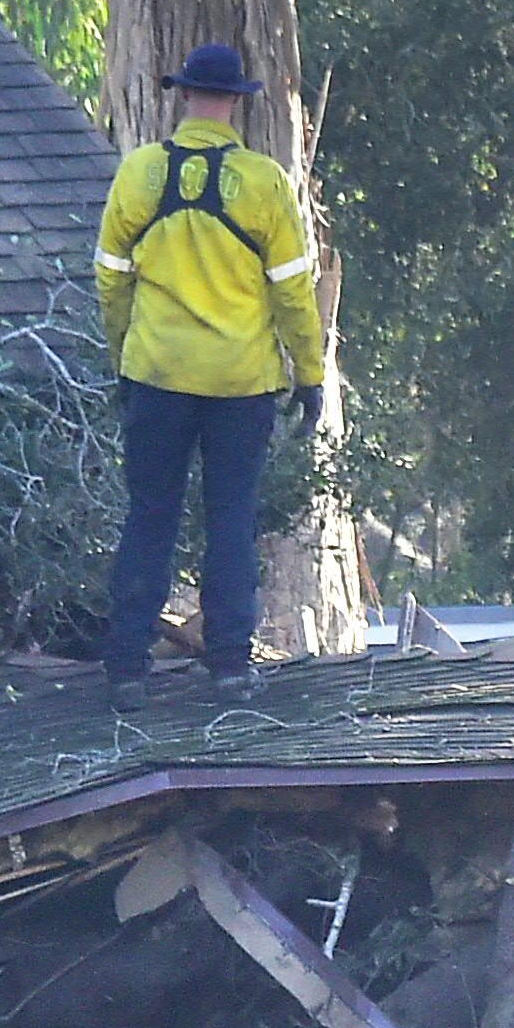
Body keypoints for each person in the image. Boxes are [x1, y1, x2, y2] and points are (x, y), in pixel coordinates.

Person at [91, 41, 325, 701]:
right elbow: (292, 293)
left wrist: (124, 358)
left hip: (157, 375)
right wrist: (308, 375)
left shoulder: (139, 173)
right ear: (237, 104)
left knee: (149, 517)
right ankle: (228, 664)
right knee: (230, 520)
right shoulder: (262, 183)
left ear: (183, 95)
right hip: (239, 384)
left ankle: (128, 667)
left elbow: (110, 281)